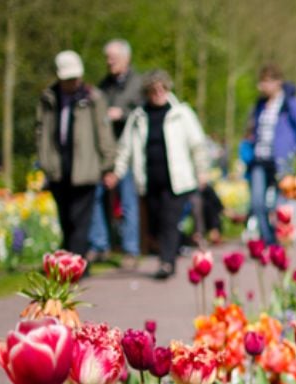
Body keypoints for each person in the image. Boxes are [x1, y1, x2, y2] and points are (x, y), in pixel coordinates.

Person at [110, 70, 208, 280]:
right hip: (149, 179)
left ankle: (167, 262)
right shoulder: (138, 117)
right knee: (155, 222)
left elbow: (197, 145)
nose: (158, 93)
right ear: (147, 92)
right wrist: (117, 172)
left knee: (169, 220)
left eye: (162, 89)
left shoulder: (181, 113)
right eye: (153, 90)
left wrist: (201, 171)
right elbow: (125, 148)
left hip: (176, 180)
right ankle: (171, 252)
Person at [36, 51, 117, 259]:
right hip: (58, 167)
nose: (73, 82)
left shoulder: (93, 98)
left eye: (75, 78)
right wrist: (45, 162)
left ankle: (76, 263)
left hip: (86, 168)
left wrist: (108, 165)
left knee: (81, 219)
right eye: (68, 79)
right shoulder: (49, 98)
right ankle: (70, 261)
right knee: (65, 219)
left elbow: (104, 132)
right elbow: (41, 131)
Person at [90, 39, 143, 267]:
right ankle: (100, 245)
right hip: (105, 152)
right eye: (107, 57)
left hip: (128, 151)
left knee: (128, 200)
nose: (109, 61)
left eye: (113, 57)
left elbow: (142, 112)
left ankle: (131, 250)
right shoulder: (103, 86)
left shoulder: (138, 84)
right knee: (97, 197)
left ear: (126, 58)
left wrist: (121, 114)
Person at [245, 64, 296, 245]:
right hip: (260, 158)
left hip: (282, 160)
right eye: (262, 82)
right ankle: (269, 239)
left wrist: (295, 151)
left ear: (278, 82)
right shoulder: (260, 105)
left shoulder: (290, 104)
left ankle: (282, 239)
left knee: (280, 205)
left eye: (267, 82)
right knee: (257, 203)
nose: (263, 86)